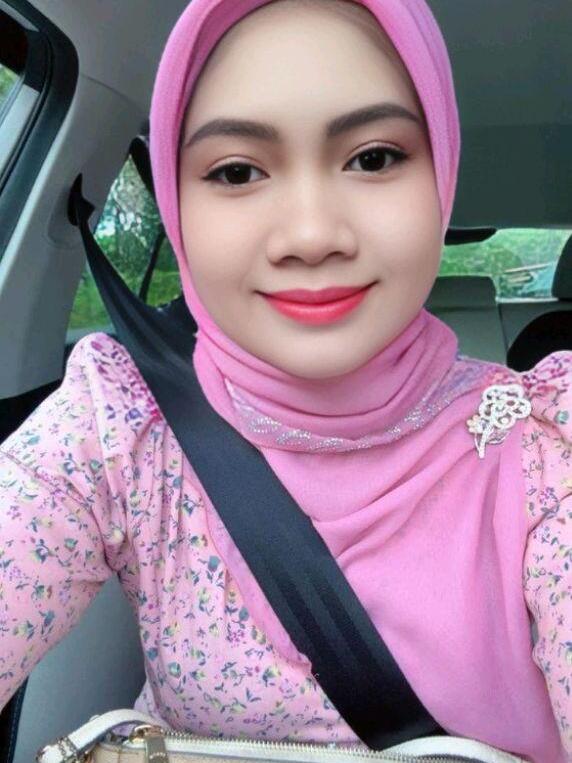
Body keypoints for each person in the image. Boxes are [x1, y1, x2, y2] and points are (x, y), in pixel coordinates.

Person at [0, 0, 569, 761]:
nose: (310, 235)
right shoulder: (120, 424)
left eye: (374, 158)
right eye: (237, 171)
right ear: (176, 200)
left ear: (442, 176)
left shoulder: (545, 447)